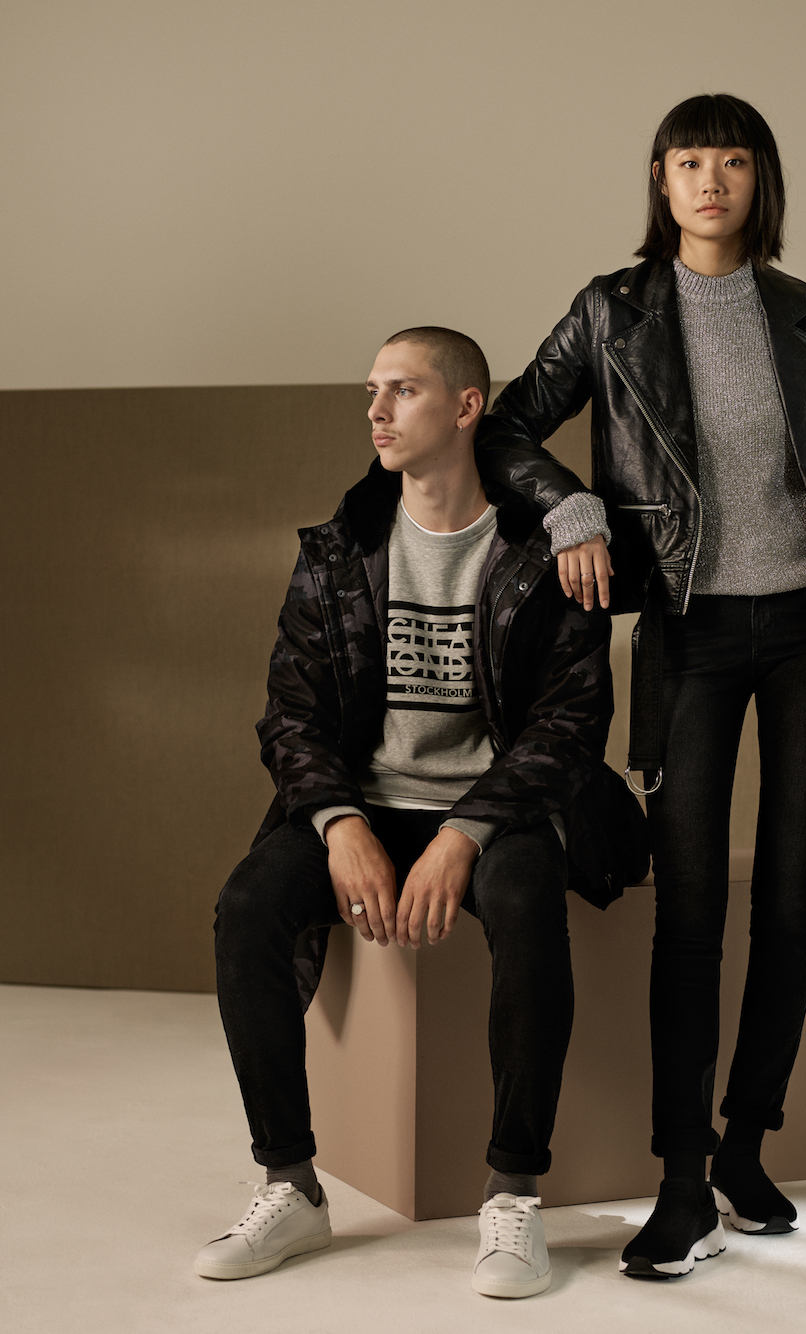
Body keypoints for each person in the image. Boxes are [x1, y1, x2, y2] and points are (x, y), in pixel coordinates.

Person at [474, 93, 806, 1278]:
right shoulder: (609, 310)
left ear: (761, 180)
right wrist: (568, 503)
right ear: (659, 181)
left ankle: (746, 1150)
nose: (709, 181)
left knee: (790, 901)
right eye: (686, 162)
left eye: (732, 161)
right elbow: (507, 428)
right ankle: (681, 1181)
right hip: (688, 633)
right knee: (691, 910)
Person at [197, 327, 618, 1298]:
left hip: (498, 806)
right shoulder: (338, 551)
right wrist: (341, 825)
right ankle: (292, 1184)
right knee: (247, 907)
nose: (377, 411)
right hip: (366, 802)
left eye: (403, 390)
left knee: (526, 903)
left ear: (467, 408)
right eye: (371, 391)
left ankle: (513, 1192)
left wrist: (463, 832)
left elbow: (571, 723)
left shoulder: (543, 552)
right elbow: (291, 715)